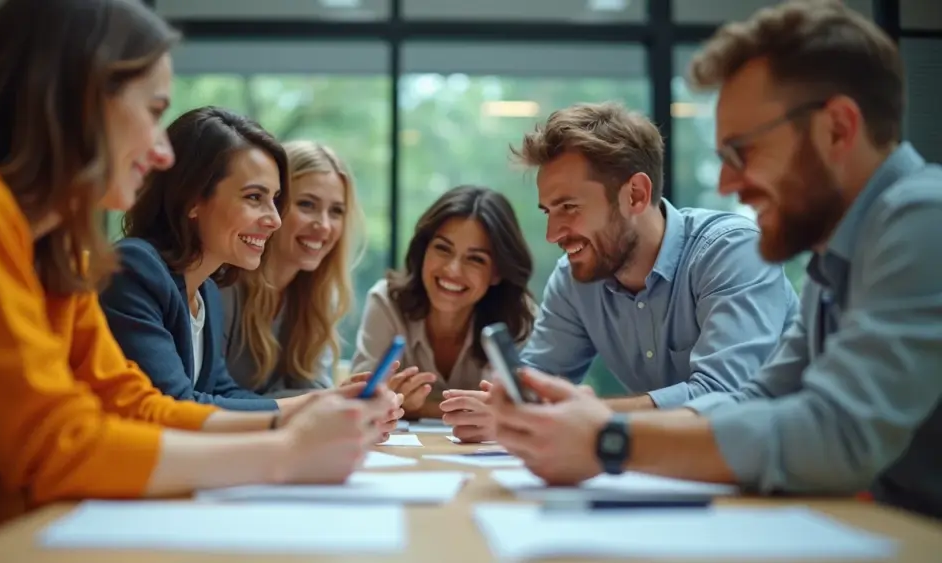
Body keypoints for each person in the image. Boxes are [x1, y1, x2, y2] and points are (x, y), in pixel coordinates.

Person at [0, 0, 394, 551]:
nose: (164, 152)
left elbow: (134, 405)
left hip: (23, 536)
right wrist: (283, 453)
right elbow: (54, 443)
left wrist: (293, 421)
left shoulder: (60, 249)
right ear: (81, 99)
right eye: (154, 111)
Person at [488, 0, 942, 519]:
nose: (727, 183)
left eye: (742, 152)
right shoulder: (835, 253)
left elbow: (835, 433)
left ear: (837, 129)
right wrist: (587, 427)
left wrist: (609, 439)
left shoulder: (924, 219)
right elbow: (756, 400)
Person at [440, 101, 800, 442]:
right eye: (549, 211)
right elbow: (536, 386)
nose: (553, 234)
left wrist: (582, 414)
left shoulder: (731, 251)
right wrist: (504, 407)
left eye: (569, 206)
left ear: (636, 196)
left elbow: (723, 396)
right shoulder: (574, 279)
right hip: (671, 471)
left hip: (788, 473)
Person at [99, 108, 402, 433]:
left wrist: (333, 406)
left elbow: (222, 393)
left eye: (274, 199)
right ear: (191, 199)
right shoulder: (135, 267)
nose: (274, 219)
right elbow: (174, 404)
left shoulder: (205, 290)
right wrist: (316, 406)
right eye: (254, 197)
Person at [352, 185, 537, 420]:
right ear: (424, 251)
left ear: (497, 273)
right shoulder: (386, 302)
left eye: (475, 259)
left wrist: (415, 407)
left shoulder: (518, 319)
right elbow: (359, 401)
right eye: (442, 248)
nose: (452, 270)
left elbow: (524, 411)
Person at [222, 140, 372, 397]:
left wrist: (346, 399)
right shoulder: (225, 283)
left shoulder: (318, 295)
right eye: (307, 205)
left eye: (336, 211)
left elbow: (312, 387)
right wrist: (325, 399)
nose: (324, 225)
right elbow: (209, 396)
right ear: (273, 205)